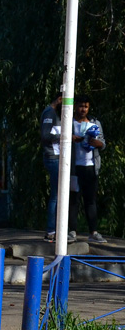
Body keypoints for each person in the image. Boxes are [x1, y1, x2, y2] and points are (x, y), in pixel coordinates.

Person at [71, 94, 107, 244]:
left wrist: (95, 142)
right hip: (73, 168)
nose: (83, 109)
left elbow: (103, 143)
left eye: (85, 106)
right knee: (73, 200)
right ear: (75, 106)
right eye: (80, 106)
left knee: (90, 200)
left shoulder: (95, 123)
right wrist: (72, 138)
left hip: (91, 167)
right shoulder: (69, 122)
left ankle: (93, 232)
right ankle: (72, 231)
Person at [40, 91, 63, 242]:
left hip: (59, 158)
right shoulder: (50, 113)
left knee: (60, 194)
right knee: (55, 195)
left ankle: (58, 228)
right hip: (53, 158)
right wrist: (65, 136)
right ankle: (51, 230)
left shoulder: (56, 113)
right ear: (60, 99)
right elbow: (46, 135)